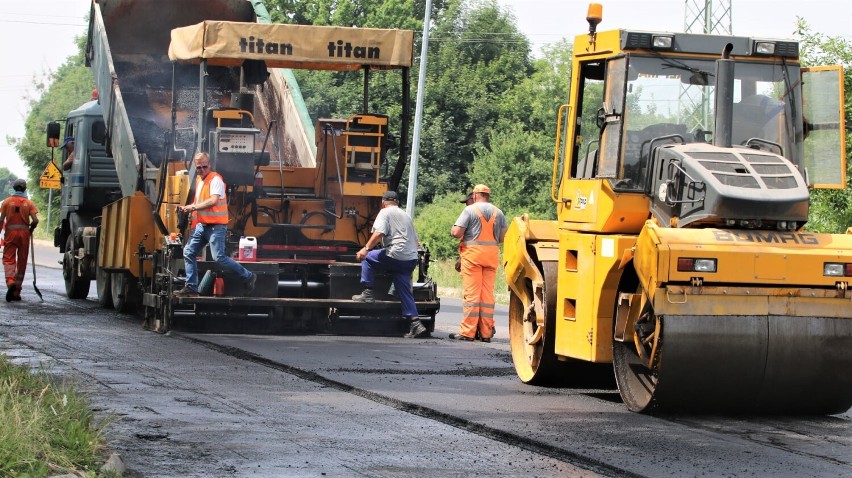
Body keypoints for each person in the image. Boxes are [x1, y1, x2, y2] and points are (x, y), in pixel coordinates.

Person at [175, 152, 256, 297]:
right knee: (188, 252)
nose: (202, 170)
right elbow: (199, 203)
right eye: (199, 168)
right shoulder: (200, 181)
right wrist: (186, 207)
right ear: (195, 167)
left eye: (204, 167)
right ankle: (191, 288)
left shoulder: (215, 180)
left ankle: (248, 275)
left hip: (216, 227)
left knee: (219, 257)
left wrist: (192, 207)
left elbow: (213, 201)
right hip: (202, 226)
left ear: (209, 165)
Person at [352, 190, 427, 339]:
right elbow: (415, 241)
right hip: (410, 259)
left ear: (383, 202)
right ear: (398, 202)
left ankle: (367, 293)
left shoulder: (385, 212)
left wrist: (365, 249)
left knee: (368, 258)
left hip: (396, 255)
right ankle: (416, 323)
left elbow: (379, 233)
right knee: (404, 291)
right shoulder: (406, 215)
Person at [449, 184, 507, 342]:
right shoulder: (498, 212)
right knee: (487, 296)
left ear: (475, 195)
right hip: (491, 257)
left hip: (473, 257)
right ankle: (486, 332)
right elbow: (502, 238)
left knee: (472, 295)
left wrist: (453, 229)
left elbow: (456, 232)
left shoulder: (470, 210)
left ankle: (468, 332)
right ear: (488, 196)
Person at [0, 179, 39, 302]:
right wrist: (31, 229)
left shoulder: (6, 202)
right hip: (24, 235)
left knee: (8, 259)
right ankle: (16, 292)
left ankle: (11, 281)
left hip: (10, 234)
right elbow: (35, 220)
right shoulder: (29, 203)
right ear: (25, 189)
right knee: (22, 261)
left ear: (14, 188)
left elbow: (1, 220)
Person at [454, 193, 474, 273]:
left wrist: (462, 259)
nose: (466, 205)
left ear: (473, 199)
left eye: (467, 202)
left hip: (471, 258)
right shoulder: (493, 212)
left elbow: (456, 233)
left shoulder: (470, 212)